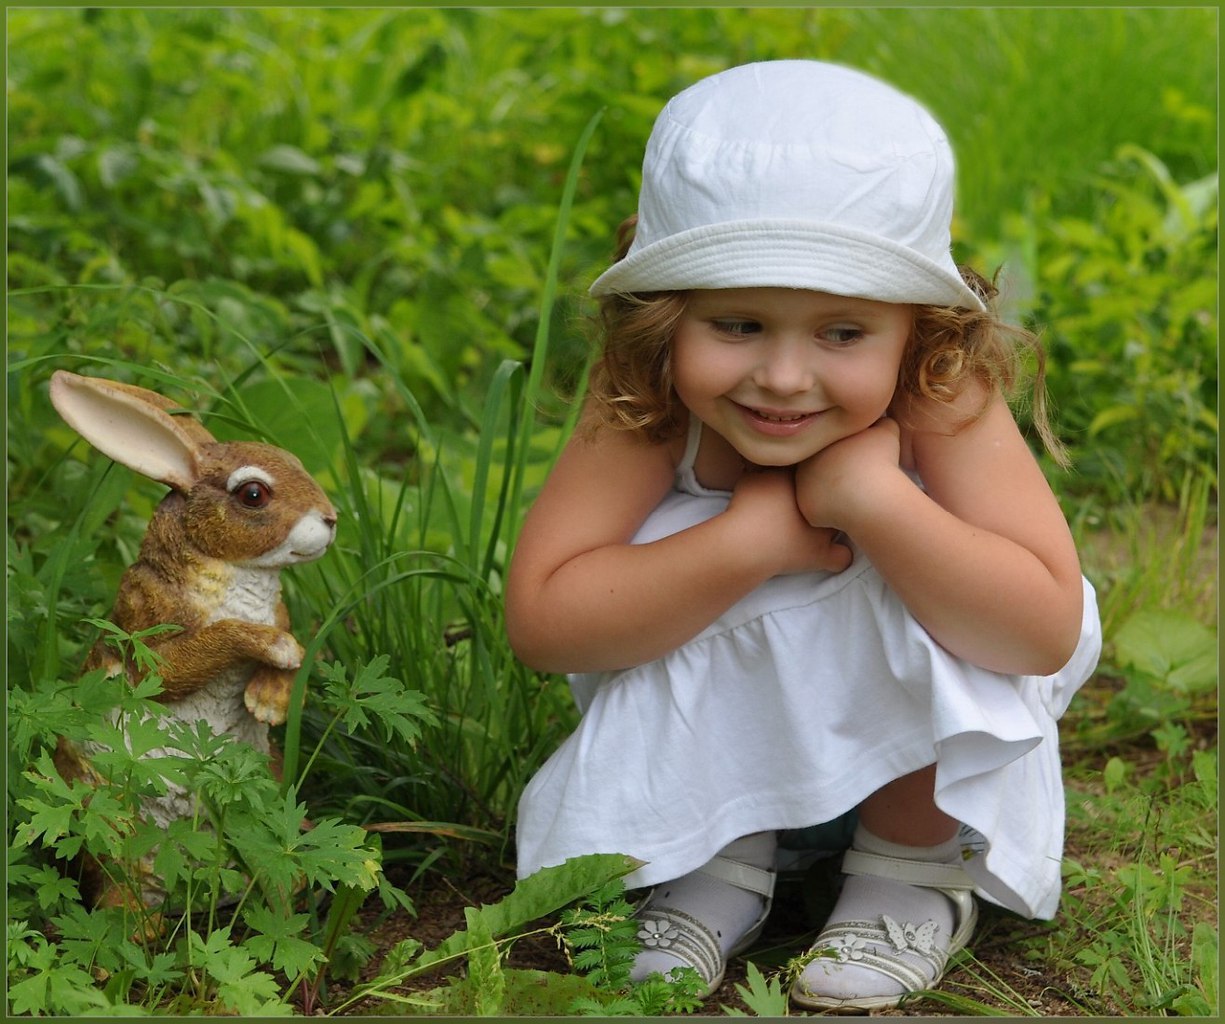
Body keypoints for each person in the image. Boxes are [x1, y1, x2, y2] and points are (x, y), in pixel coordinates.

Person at [505, 59, 1102, 1012]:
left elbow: (1040, 630)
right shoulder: (648, 396)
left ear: (917, 328)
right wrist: (750, 540)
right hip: (717, 736)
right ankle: (709, 853)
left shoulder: (939, 389)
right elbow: (544, 621)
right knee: (678, 559)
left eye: (841, 333)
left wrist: (881, 506)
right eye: (737, 324)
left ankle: (910, 866)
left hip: (917, 746)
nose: (783, 377)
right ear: (667, 319)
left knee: (911, 565)